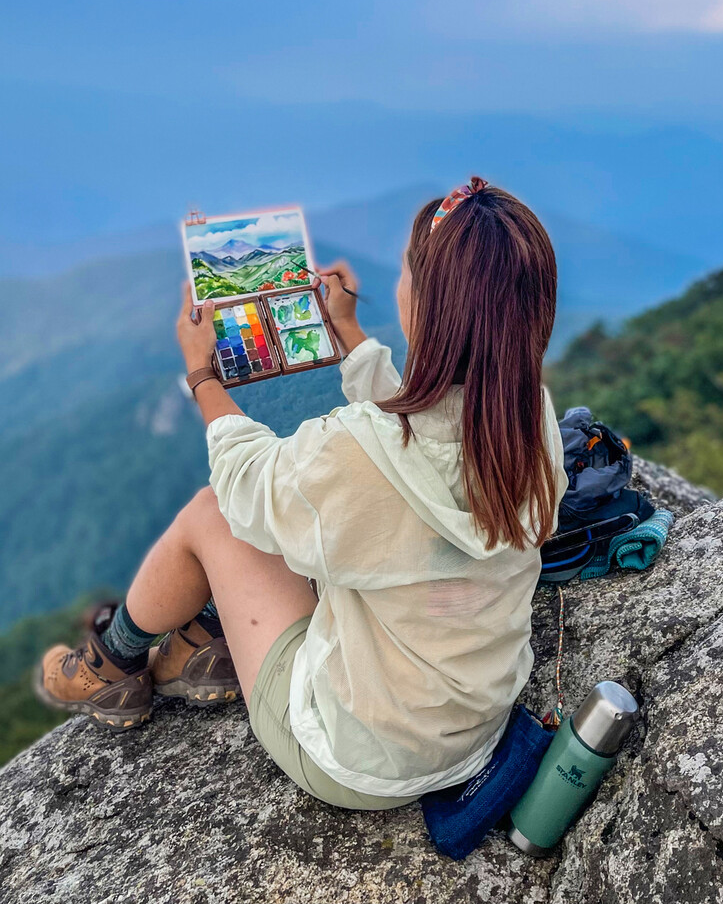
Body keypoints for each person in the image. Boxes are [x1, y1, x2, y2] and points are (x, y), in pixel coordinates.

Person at [36, 178, 567, 811]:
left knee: (212, 514)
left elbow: (242, 484)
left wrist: (202, 373)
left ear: (424, 304)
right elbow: (422, 436)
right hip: (476, 726)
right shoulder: (526, 421)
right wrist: (346, 332)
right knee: (312, 526)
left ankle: (109, 666)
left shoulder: (357, 455)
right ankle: (199, 652)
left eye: (407, 270)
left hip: (361, 757)